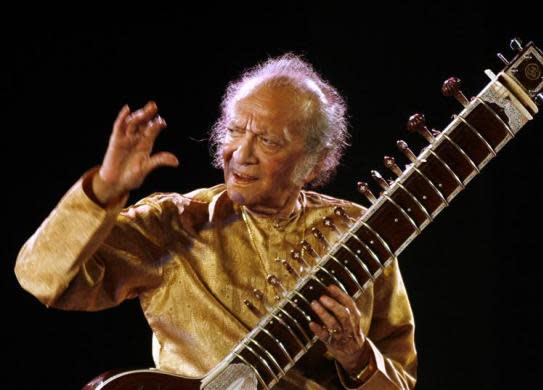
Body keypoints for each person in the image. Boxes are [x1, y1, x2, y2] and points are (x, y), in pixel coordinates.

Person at [14, 53, 417, 389]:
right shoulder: (175, 223)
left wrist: (357, 357)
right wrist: (102, 190)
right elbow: (41, 278)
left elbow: (400, 378)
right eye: (234, 131)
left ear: (314, 162)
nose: (241, 153)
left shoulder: (359, 235)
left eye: (268, 141)